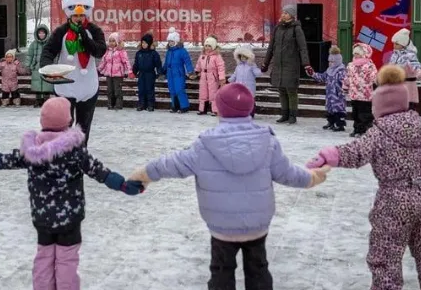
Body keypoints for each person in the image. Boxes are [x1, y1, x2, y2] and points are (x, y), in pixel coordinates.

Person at [129, 83, 328, 289]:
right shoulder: (267, 141)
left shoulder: (205, 145)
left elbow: (171, 164)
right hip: (256, 224)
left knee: (222, 272)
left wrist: (145, 174)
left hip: (222, 226)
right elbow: (287, 173)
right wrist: (311, 178)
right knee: (258, 270)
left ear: (219, 108)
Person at [307, 65, 421, 290]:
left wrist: (329, 156)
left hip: (393, 201)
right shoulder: (418, 127)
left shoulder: (378, 132)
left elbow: (356, 152)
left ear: (379, 104)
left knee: (385, 254)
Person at [0, 97, 143, 290]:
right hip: (70, 219)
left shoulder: (31, 151)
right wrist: (124, 185)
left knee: (44, 259)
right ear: (68, 121)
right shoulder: (75, 151)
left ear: (42, 122)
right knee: (67, 261)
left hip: (42, 217)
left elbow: (2, 160)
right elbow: (101, 173)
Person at [39, 0, 107, 147]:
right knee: (64, 128)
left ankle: (80, 162)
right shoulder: (61, 31)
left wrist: (84, 35)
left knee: (83, 130)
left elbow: (99, 51)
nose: (78, 18)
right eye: (75, 15)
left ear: (86, 13)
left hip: (88, 87)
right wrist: (47, 68)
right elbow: (48, 51)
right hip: (65, 87)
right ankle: (64, 161)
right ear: (68, 13)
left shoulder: (94, 31)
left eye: (81, 15)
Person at [262, 4, 312, 124]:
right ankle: (284, 114)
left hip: (291, 64)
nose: (283, 14)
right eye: (283, 12)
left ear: (291, 15)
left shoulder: (296, 29)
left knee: (291, 90)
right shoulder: (278, 28)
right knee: (281, 90)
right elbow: (271, 47)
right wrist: (266, 62)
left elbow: (302, 48)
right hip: (279, 64)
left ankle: (292, 115)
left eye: (286, 13)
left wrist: (306, 64)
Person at [310, 46, 348, 132]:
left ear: (337, 62)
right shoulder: (329, 70)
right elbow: (322, 77)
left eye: (332, 62)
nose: (330, 63)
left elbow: (345, 82)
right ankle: (331, 122)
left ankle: (340, 124)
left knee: (338, 109)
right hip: (329, 94)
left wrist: (343, 88)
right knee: (330, 108)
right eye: (329, 61)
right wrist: (313, 74)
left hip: (338, 95)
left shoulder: (341, 71)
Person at [344, 43, 378, 137]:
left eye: (358, 54)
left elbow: (374, 77)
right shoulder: (351, 65)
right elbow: (347, 76)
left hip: (365, 95)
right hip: (354, 94)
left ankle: (364, 129)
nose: (355, 55)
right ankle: (357, 129)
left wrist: (378, 82)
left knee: (365, 113)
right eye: (354, 53)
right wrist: (345, 86)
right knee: (355, 113)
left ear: (364, 54)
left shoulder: (369, 65)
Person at [388, 28, 421, 111]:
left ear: (403, 44)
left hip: (407, 87)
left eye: (397, 44)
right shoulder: (394, 55)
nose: (394, 45)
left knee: (407, 110)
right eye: (394, 43)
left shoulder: (410, 55)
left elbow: (417, 66)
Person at [163, 28, 195, 113]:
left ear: (176, 41)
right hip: (170, 73)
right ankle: (175, 106)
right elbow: (166, 62)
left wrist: (190, 71)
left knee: (179, 89)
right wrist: (163, 71)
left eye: (172, 41)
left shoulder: (182, 51)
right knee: (172, 90)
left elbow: (187, 61)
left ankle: (184, 106)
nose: (170, 43)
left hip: (179, 73)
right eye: (169, 42)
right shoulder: (169, 51)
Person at [98, 32, 130, 111]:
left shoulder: (121, 51)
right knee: (109, 90)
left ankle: (118, 104)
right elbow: (103, 62)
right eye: (110, 41)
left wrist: (129, 71)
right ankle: (110, 104)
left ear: (117, 42)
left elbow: (126, 62)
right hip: (109, 74)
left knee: (117, 90)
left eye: (113, 41)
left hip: (118, 75)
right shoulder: (107, 52)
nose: (111, 43)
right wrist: (99, 70)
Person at [195, 36, 226, 116]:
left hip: (212, 76)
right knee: (203, 92)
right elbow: (198, 64)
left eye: (209, 46)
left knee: (213, 93)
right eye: (206, 46)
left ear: (213, 47)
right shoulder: (202, 56)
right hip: (203, 76)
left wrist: (221, 78)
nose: (207, 48)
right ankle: (202, 109)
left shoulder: (217, 56)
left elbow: (221, 67)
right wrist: (197, 71)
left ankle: (214, 110)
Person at [25, 24, 54, 108]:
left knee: (46, 85)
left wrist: (54, 65)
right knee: (37, 85)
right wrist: (28, 65)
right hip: (36, 67)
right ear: (37, 34)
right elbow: (29, 55)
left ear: (46, 34)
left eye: (43, 33)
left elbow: (54, 55)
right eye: (40, 33)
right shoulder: (34, 44)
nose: (41, 35)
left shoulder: (50, 44)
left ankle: (46, 101)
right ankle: (38, 100)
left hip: (47, 67)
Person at [133, 33, 162, 112]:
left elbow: (158, 64)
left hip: (150, 74)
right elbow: (136, 64)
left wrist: (159, 72)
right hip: (141, 74)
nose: (143, 44)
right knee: (141, 89)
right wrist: (134, 71)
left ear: (149, 43)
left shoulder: (153, 53)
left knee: (149, 89)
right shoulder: (139, 53)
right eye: (142, 43)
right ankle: (141, 104)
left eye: (145, 43)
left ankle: (150, 105)